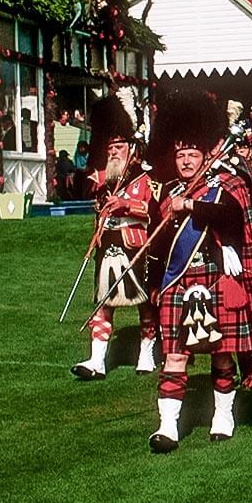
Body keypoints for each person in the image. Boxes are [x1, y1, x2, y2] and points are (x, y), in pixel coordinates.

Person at [146, 88, 252, 452]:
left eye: (192, 154)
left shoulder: (223, 185)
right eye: (181, 154)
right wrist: (155, 282)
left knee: (220, 352)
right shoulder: (167, 191)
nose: (185, 161)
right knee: (176, 354)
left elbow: (232, 220)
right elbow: (160, 246)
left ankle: (223, 416)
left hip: (215, 276)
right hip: (178, 281)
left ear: (204, 155)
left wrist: (192, 207)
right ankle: (167, 427)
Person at [72, 92, 160, 380]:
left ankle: (146, 351)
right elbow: (85, 191)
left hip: (136, 244)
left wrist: (127, 205)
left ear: (132, 147)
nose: (113, 152)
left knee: (144, 303)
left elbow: (155, 213)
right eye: (110, 146)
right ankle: (97, 360)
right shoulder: (102, 178)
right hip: (107, 245)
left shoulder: (145, 177)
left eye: (119, 146)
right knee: (103, 301)